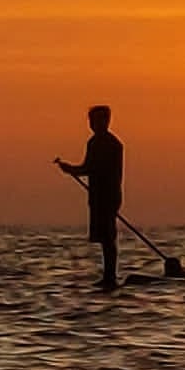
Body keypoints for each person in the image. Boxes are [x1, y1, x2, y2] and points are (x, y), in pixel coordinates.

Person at [56, 106, 125, 290]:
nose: (93, 124)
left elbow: (92, 168)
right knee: (104, 238)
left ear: (106, 121)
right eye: (91, 121)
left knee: (108, 237)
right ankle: (108, 275)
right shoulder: (94, 142)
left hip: (107, 196)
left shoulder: (110, 143)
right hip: (98, 195)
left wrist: (72, 170)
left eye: (97, 120)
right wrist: (73, 169)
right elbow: (89, 166)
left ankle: (110, 276)